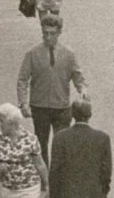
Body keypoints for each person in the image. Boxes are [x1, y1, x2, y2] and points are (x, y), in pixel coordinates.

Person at [17, 14, 87, 162]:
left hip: (61, 107)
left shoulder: (69, 54)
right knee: (41, 145)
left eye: (52, 33)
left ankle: (59, 175)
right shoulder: (32, 53)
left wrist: (82, 89)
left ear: (59, 32)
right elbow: (23, 80)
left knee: (61, 146)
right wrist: (23, 103)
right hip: (39, 107)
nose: (48, 37)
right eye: (45, 33)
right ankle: (45, 176)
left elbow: (77, 76)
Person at [49, 100, 112, 198]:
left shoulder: (60, 137)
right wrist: (103, 191)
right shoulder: (103, 138)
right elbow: (106, 170)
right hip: (93, 192)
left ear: (72, 114)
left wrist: (54, 194)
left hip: (67, 193)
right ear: (90, 115)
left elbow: (55, 170)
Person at [0, 103, 48, 198]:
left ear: (12, 123)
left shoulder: (30, 139)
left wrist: (47, 185)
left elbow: (39, 164)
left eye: (2, 121)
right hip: (6, 189)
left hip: (29, 189)